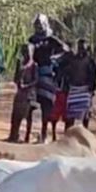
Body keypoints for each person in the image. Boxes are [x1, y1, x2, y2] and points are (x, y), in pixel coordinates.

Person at [29, 14, 67, 143]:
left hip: (48, 76)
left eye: (40, 24)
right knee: (30, 105)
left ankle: (45, 134)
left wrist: (55, 59)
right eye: (37, 25)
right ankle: (27, 135)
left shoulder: (52, 40)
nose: (39, 27)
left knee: (46, 105)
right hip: (33, 75)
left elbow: (66, 51)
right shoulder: (32, 40)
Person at [57, 39, 96, 131]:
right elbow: (65, 72)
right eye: (79, 48)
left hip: (85, 90)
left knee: (85, 114)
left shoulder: (90, 61)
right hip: (73, 89)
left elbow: (93, 75)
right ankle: (68, 134)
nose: (81, 50)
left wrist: (91, 89)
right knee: (70, 115)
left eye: (83, 48)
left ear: (87, 48)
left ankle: (85, 133)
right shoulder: (72, 60)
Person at [7, 43, 40, 143]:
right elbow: (15, 78)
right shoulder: (20, 64)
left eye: (28, 51)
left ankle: (27, 136)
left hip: (29, 94)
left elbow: (36, 80)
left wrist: (26, 86)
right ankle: (14, 135)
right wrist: (19, 82)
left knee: (28, 116)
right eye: (24, 51)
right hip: (20, 92)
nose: (26, 53)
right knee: (15, 115)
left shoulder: (34, 65)